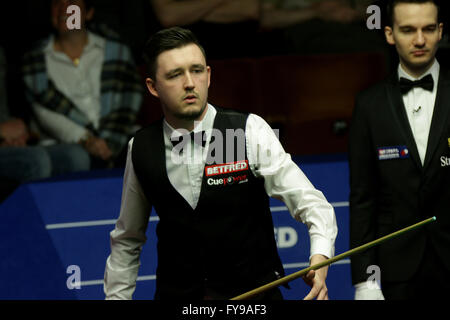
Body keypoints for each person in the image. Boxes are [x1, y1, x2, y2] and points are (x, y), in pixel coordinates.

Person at [103, 27, 338, 300]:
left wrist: (319, 262)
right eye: (175, 74)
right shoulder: (141, 147)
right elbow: (127, 240)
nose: (189, 82)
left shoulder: (248, 131)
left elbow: (312, 204)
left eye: (197, 70)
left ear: (209, 75)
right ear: (153, 87)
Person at [349, 0, 450, 300]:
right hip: (397, 271)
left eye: (428, 29)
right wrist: (365, 281)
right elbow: (363, 199)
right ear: (390, 34)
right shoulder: (368, 106)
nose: (420, 40)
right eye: (408, 30)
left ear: (440, 31)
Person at [22, 0, 143, 170]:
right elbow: (45, 113)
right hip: (65, 142)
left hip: (118, 132)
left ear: (88, 13)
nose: (64, 7)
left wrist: (109, 141)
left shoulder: (115, 50)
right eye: (57, 2)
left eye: (71, 1)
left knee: (146, 146)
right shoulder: (35, 60)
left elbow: (128, 100)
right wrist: (86, 139)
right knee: (76, 157)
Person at [150, 0, 261, 59]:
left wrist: (186, 11)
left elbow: (251, 8)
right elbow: (168, 16)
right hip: (180, 57)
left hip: (238, 55)